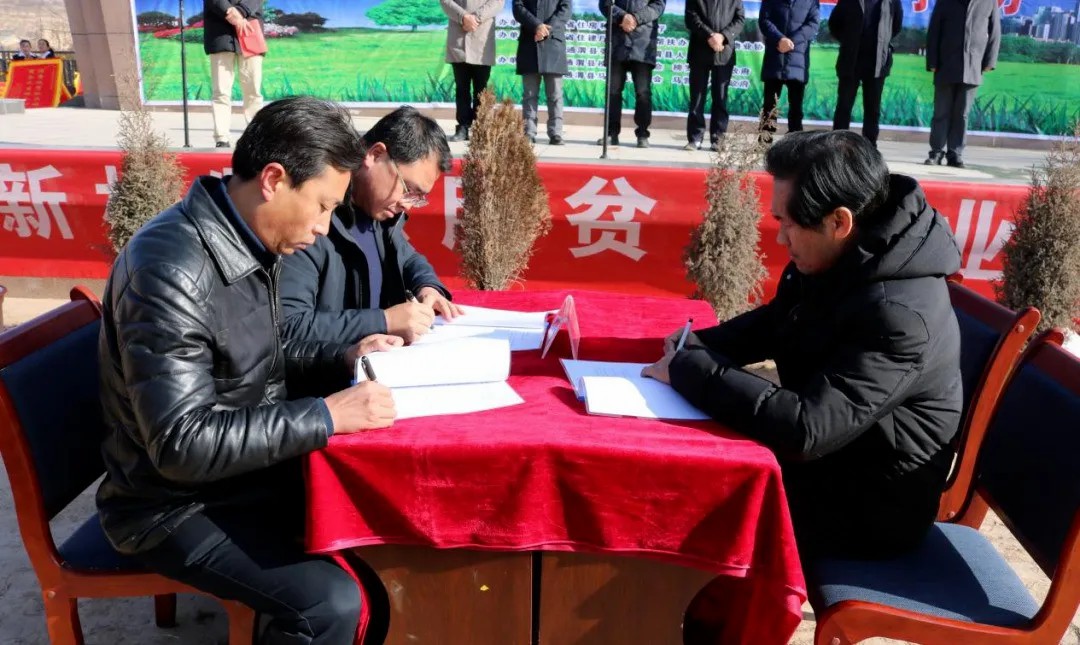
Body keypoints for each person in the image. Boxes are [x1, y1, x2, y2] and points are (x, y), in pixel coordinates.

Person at [96, 96, 400, 643]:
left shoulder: (246, 238)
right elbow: (181, 445)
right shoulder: (171, 270)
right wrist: (325, 415)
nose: (325, 228)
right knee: (329, 605)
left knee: (386, 527)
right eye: (322, 206)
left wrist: (345, 354)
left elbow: (259, 352)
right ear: (274, 180)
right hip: (170, 506)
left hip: (241, 475)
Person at [643, 130, 963, 559]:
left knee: (684, 493)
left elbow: (807, 429)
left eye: (788, 224)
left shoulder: (900, 315)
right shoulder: (850, 255)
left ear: (839, 222)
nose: (780, 239)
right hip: (829, 463)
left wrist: (691, 369)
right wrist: (693, 345)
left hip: (867, 506)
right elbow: (778, 322)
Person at [280, 106, 460, 354]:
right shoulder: (314, 221)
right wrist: (383, 321)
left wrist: (428, 287)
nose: (407, 204)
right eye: (408, 189)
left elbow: (408, 257)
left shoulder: (380, 213)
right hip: (327, 373)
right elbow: (289, 326)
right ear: (376, 155)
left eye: (418, 197)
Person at [925, 0, 1000, 168]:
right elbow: (934, 30)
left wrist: (990, 61)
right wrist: (932, 61)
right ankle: (936, 152)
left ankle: (955, 154)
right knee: (941, 112)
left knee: (962, 114)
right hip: (945, 64)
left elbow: (995, 31)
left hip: (973, 65)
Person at [828, 0, 902, 147]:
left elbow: (896, 26)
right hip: (851, 60)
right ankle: (837, 146)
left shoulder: (892, 1)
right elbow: (834, 23)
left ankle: (870, 147)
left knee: (873, 109)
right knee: (844, 106)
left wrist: (882, 42)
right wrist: (849, 40)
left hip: (877, 62)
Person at [598, 0, 666, 148]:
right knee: (613, 91)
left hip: (643, 42)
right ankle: (611, 133)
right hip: (617, 40)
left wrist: (635, 18)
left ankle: (642, 134)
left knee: (643, 92)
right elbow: (604, 3)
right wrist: (622, 16)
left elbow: (658, 5)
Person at [683, 0, 745, 151]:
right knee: (697, 98)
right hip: (699, 50)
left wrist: (723, 36)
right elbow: (691, 17)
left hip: (724, 52)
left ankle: (718, 139)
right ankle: (695, 138)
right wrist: (710, 35)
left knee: (720, 97)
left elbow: (740, 19)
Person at [204, 0, 265, 148]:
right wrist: (230, 12)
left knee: (253, 91)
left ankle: (255, 138)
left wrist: (241, 11)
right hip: (220, 34)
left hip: (249, 29)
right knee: (221, 92)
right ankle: (222, 138)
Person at [441, 0, 504, 142]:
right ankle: (462, 127)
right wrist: (463, 17)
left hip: (482, 39)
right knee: (462, 88)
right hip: (459, 39)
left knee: (481, 89)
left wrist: (475, 18)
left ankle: (479, 128)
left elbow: (497, 2)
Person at [758, 0, 819, 140]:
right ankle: (764, 143)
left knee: (796, 108)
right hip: (775, 58)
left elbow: (813, 24)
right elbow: (764, 20)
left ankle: (795, 144)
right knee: (769, 107)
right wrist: (780, 39)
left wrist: (791, 41)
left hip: (798, 60)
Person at [514, 0, 572, 145]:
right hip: (530, 42)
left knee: (555, 94)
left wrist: (546, 29)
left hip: (554, 43)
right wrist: (537, 26)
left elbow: (565, 9)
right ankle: (529, 131)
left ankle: (556, 132)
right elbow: (518, 7)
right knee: (529, 94)